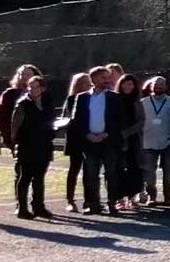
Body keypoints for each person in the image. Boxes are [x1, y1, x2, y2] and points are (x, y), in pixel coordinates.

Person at [72, 66, 123, 214]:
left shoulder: (114, 97)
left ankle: (112, 204)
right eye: (103, 77)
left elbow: (119, 121)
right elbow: (77, 121)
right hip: (89, 142)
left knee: (111, 173)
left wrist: (106, 134)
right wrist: (87, 135)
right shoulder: (82, 98)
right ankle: (93, 204)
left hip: (108, 141)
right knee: (91, 174)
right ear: (93, 79)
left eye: (108, 77)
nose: (107, 80)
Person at [10, 75, 56, 219]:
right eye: (31, 86)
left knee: (39, 177)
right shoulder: (23, 104)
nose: (33, 89)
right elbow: (15, 127)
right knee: (25, 177)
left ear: (43, 88)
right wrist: (16, 143)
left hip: (44, 146)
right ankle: (22, 208)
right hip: (27, 146)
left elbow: (51, 121)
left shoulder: (47, 103)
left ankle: (38, 206)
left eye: (37, 86)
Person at [140, 76, 170, 205]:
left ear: (166, 87)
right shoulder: (143, 102)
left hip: (167, 141)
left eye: (161, 84)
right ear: (150, 86)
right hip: (148, 142)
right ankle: (152, 197)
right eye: (156, 84)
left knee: (168, 172)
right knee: (149, 173)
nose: (158, 86)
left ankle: (168, 196)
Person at [61, 72, 92, 212]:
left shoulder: (93, 98)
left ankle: (89, 200)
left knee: (89, 170)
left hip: (90, 138)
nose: (89, 84)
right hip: (75, 138)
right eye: (86, 82)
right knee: (74, 169)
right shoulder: (72, 99)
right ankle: (70, 200)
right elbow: (67, 118)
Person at [0, 63, 40, 158]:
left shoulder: (43, 95)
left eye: (28, 74)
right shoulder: (10, 94)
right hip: (19, 138)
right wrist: (8, 136)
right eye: (21, 74)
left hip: (39, 138)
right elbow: (0, 116)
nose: (24, 77)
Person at [115, 74, 146, 208]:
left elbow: (141, 121)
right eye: (125, 84)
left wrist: (127, 133)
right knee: (118, 169)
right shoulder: (115, 100)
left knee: (134, 168)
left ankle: (132, 196)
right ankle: (119, 198)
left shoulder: (137, 101)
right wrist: (118, 133)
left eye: (130, 84)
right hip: (116, 139)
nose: (127, 86)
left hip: (133, 139)